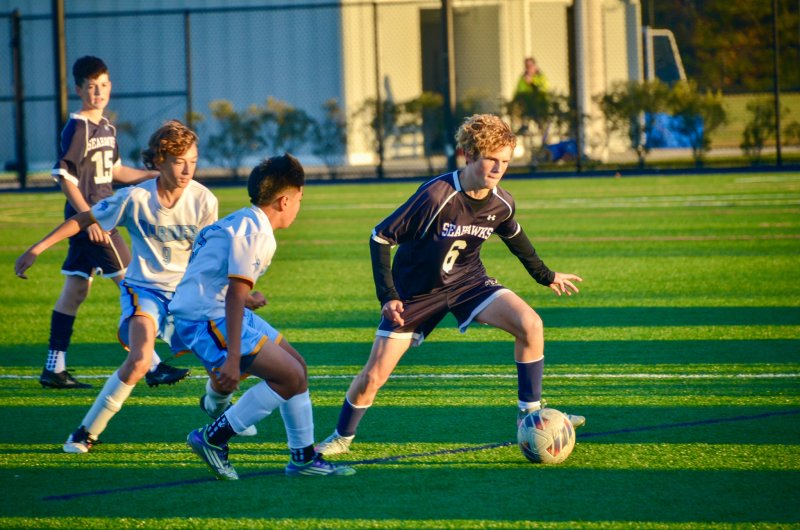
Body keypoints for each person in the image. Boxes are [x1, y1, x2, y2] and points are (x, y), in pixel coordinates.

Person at [315, 114, 585, 457]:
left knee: (530, 324)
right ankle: (341, 437)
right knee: (373, 377)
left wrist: (547, 276)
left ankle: (529, 418)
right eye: (491, 159)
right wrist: (389, 296)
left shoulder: (501, 201)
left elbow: (514, 235)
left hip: (468, 282)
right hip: (414, 295)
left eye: (505, 161)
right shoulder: (436, 195)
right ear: (468, 155)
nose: (498, 168)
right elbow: (380, 237)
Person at [15, 120, 219, 453]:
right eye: (180, 161)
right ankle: (85, 432)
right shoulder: (135, 198)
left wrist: (232, 292)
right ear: (159, 160)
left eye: (193, 161)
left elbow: (210, 255)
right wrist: (36, 248)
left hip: (185, 294)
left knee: (222, 363)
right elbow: (83, 220)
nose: (187, 169)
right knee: (140, 361)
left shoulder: (204, 200)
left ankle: (219, 414)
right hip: (145, 291)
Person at [173, 154, 355, 480]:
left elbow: (220, 277)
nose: (299, 205)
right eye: (300, 199)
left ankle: (302, 457)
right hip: (208, 319)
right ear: (284, 201)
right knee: (287, 377)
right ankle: (212, 438)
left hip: (221, 309)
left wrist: (247, 297)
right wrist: (231, 360)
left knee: (297, 368)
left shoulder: (245, 220)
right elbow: (230, 294)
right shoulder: (257, 234)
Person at [41, 55, 188, 389]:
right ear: (78, 89)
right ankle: (151, 365)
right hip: (95, 223)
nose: (98, 92)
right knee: (134, 283)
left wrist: (155, 174)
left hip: (96, 219)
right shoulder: (78, 126)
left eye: (103, 85)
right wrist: (87, 220)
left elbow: (118, 172)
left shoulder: (106, 126)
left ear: (110, 86)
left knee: (75, 291)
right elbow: (64, 177)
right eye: (91, 87)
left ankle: (54, 367)